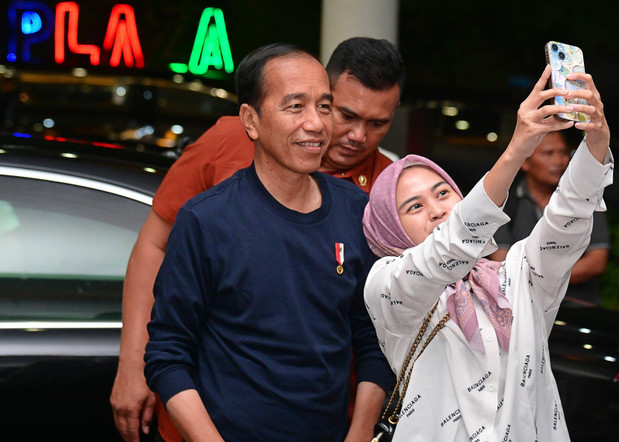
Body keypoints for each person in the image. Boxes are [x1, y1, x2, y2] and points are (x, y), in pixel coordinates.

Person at [110, 37, 404, 442]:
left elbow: (377, 331)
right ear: (251, 121)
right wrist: (132, 363)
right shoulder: (210, 204)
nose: (352, 134)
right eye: (343, 113)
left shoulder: (374, 199)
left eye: (377, 124)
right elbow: (166, 334)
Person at [361, 65, 611, 440]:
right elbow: (449, 247)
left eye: (443, 193)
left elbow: (566, 225)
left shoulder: (514, 275)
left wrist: (596, 142)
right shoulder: (387, 284)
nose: (435, 209)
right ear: (389, 230)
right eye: (413, 207)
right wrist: (518, 148)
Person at [488, 130, 610, 306]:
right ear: (525, 162)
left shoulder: (585, 199)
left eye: (563, 153)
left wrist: (540, 280)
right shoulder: (505, 202)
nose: (559, 161)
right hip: (521, 305)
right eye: (548, 153)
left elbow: (596, 261)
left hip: (577, 304)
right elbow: (502, 263)